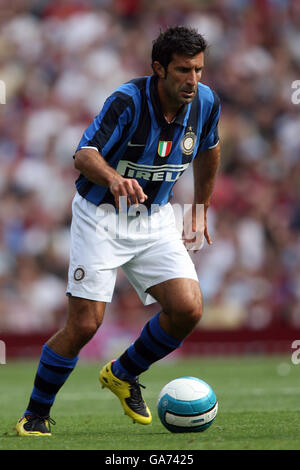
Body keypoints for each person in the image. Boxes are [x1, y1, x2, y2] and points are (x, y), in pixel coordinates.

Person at [16, 25, 221, 436]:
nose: (193, 80)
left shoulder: (205, 102)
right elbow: (84, 154)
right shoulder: (128, 100)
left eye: (198, 70)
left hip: (154, 216)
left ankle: (123, 373)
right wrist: (113, 178)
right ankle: (35, 415)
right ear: (158, 69)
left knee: (188, 308)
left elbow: (210, 149)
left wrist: (199, 208)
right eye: (183, 70)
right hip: (101, 217)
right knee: (85, 325)